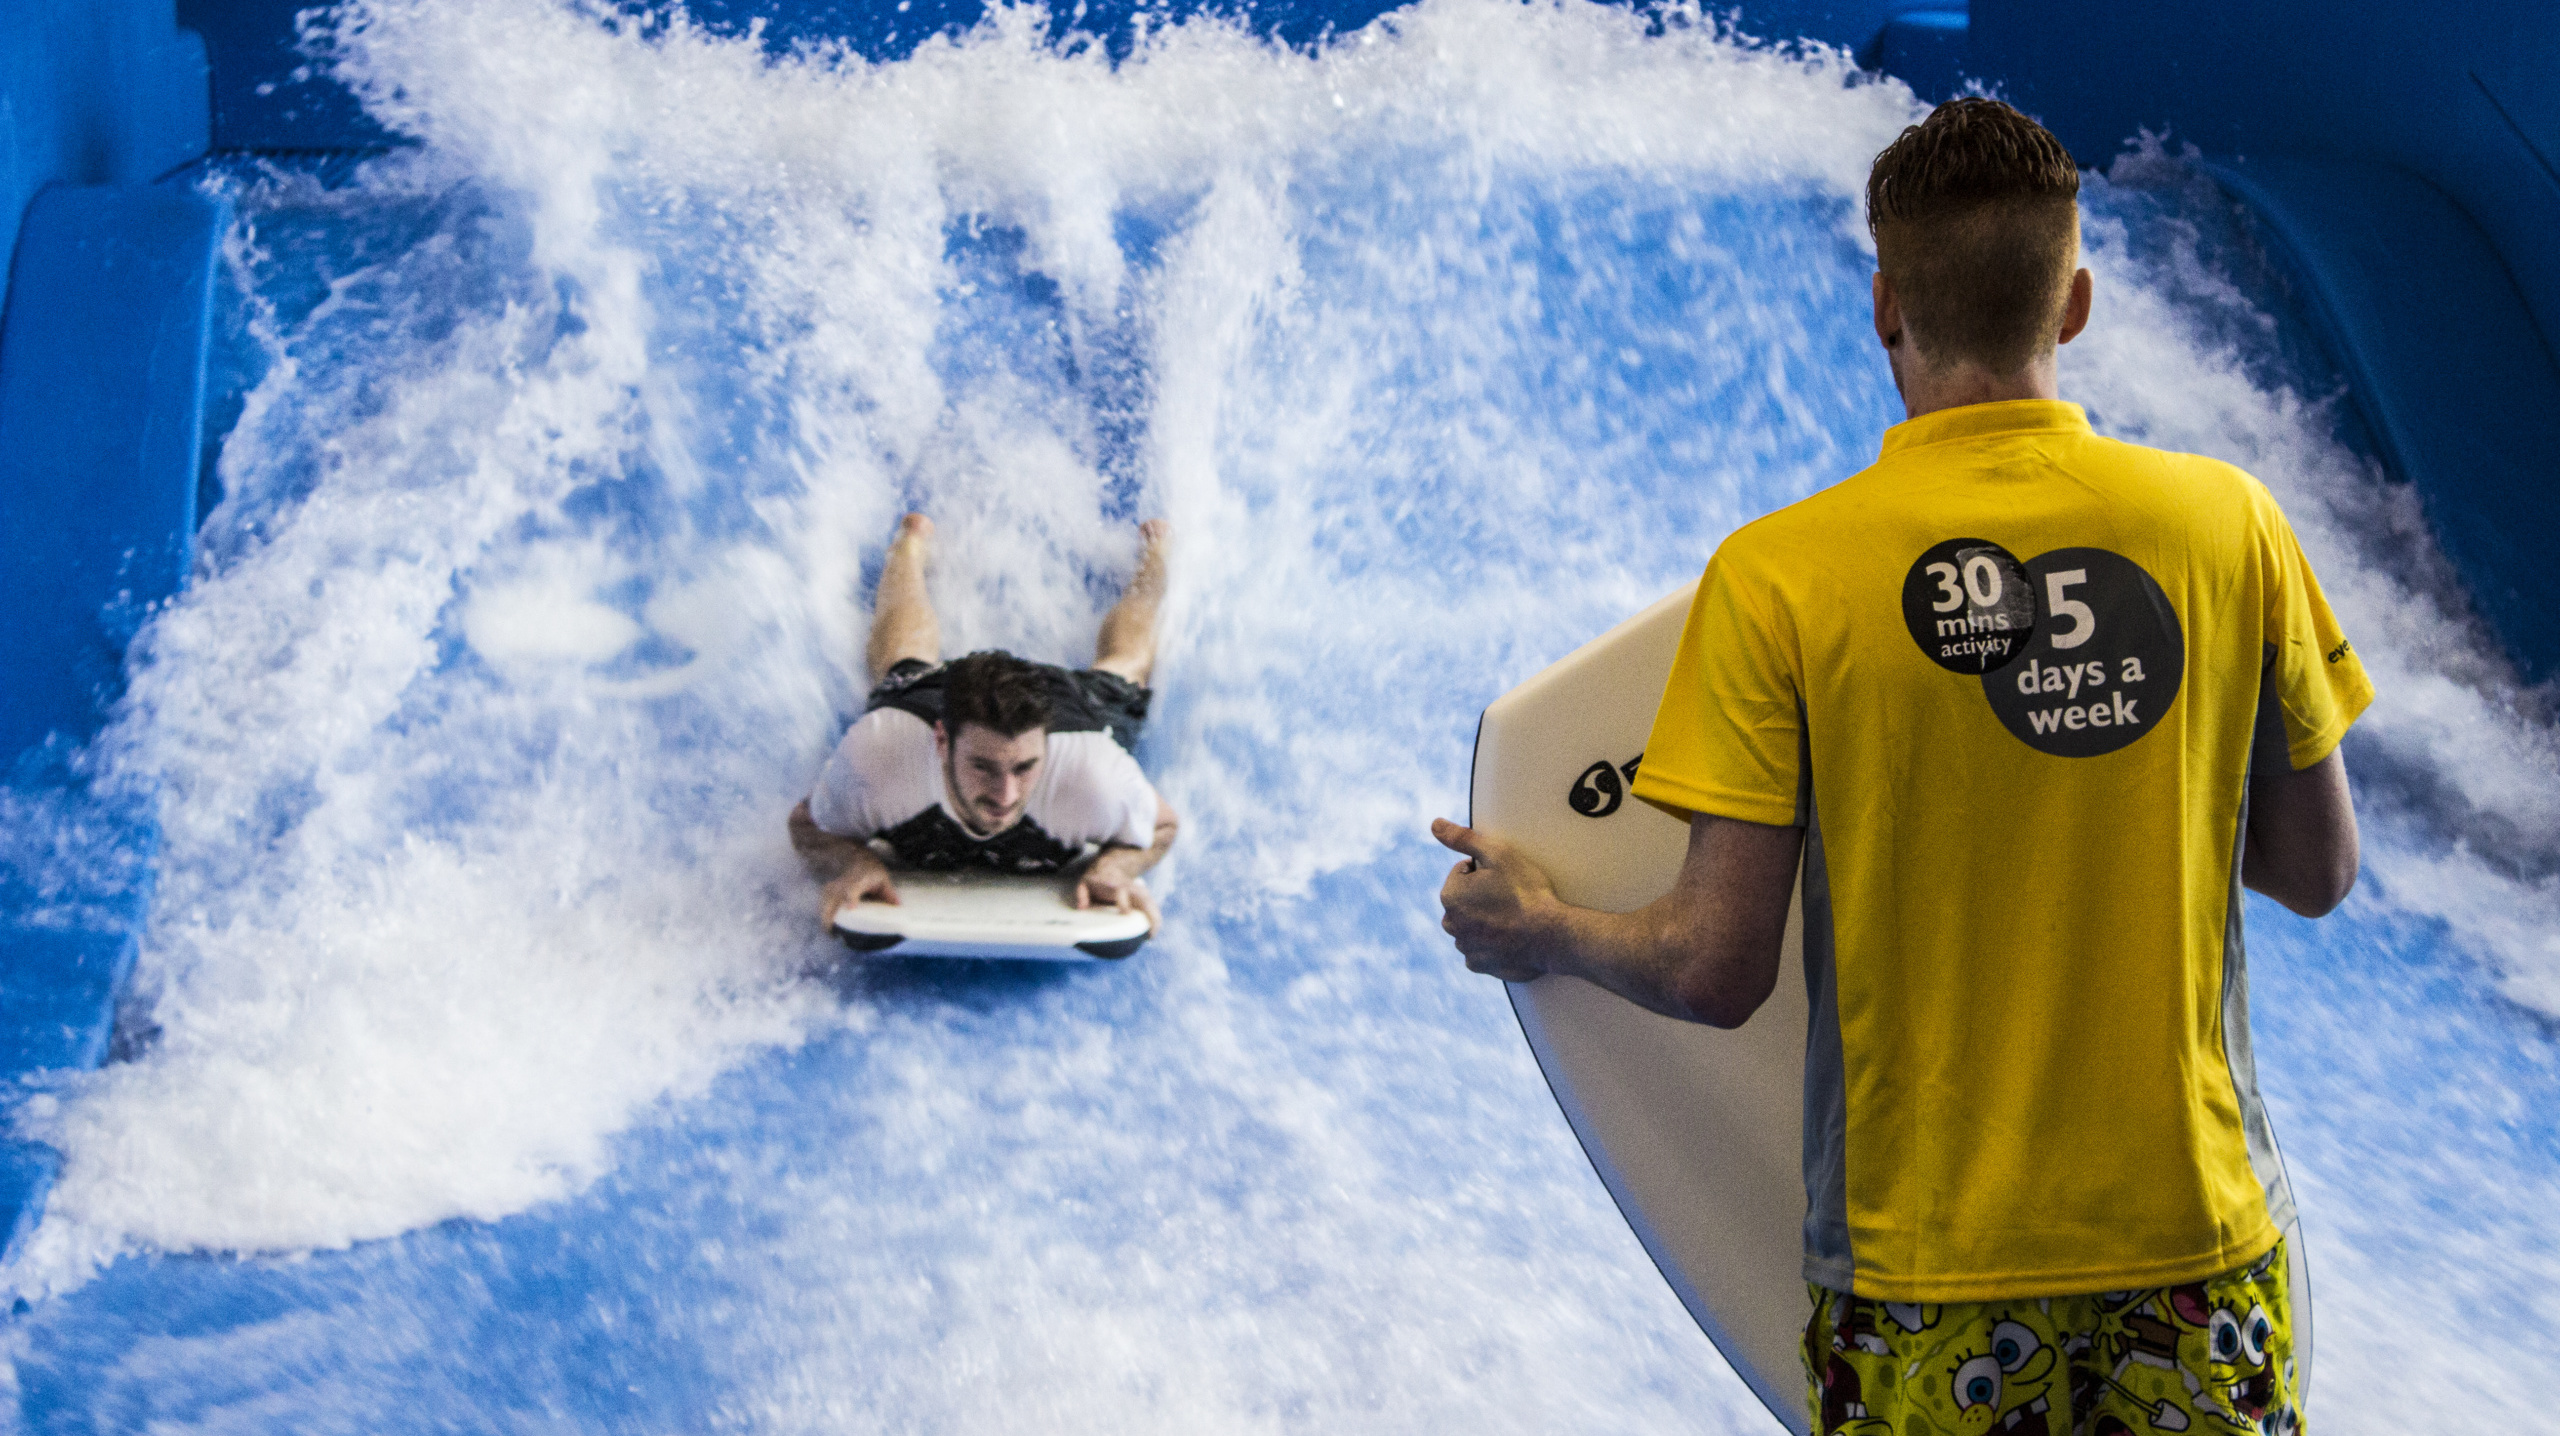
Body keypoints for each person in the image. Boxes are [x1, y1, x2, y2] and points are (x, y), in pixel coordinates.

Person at [1433, 99, 2366, 1436]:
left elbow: (1715, 966)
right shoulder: (2231, 527)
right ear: (2079, 300)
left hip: (1927, 1285)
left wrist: (1546, 929)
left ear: (1885, 304)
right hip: (2200, 1251)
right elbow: (2319, 870)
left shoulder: (1784, 578)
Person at [791, 514, 1179, 932]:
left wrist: (1117, 866)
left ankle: (1155, 559)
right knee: (901, 661)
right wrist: (853, 861)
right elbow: (806, 821)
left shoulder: (1092, 774)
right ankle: (907, 548)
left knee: (1125, 667)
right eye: (983, 767)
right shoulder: (882, 755)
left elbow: (1164, 823)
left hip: (1068, 712)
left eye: (1024, 768)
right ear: (941, 742)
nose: (1005, 794)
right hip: (934, 705)